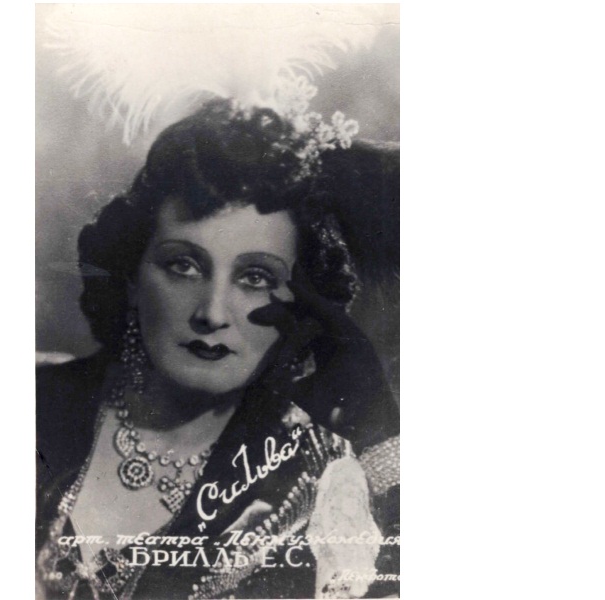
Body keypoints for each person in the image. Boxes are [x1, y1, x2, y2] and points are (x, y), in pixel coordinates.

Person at [36, 99, 400, 599]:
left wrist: (381, 435)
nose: (211, 313)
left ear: (304, 301)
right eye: (184, 266)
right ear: (132, 273)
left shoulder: (318, 485)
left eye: (255, 277)